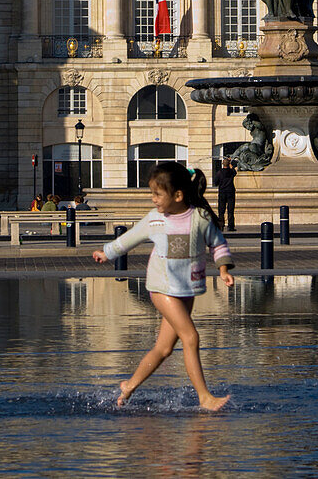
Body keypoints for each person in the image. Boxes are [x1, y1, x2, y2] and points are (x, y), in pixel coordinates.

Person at [92, 161, 234, 411]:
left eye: (157, 194)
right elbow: (129, 238)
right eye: (152, 193)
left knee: (164, 348)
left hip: (187, 288)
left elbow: (218, 243)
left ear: (178, 195)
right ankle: (205, 398)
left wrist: (223, 269)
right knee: (191, 336)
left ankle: (129, 386)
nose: (153, 199)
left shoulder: (200, 218)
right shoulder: (154, 220)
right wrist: (107, 253)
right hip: (161, 287)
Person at [215, 158, 237, 231]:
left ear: (222, 164)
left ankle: (221, 226)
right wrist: (231, 165)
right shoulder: (231, 172)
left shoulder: (219, 172)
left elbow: (216, 182)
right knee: (230, 210)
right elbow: (235, 172)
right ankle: (230, 226)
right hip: (230, 192)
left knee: (221, 210)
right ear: (229, 164)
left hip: (222, 192)